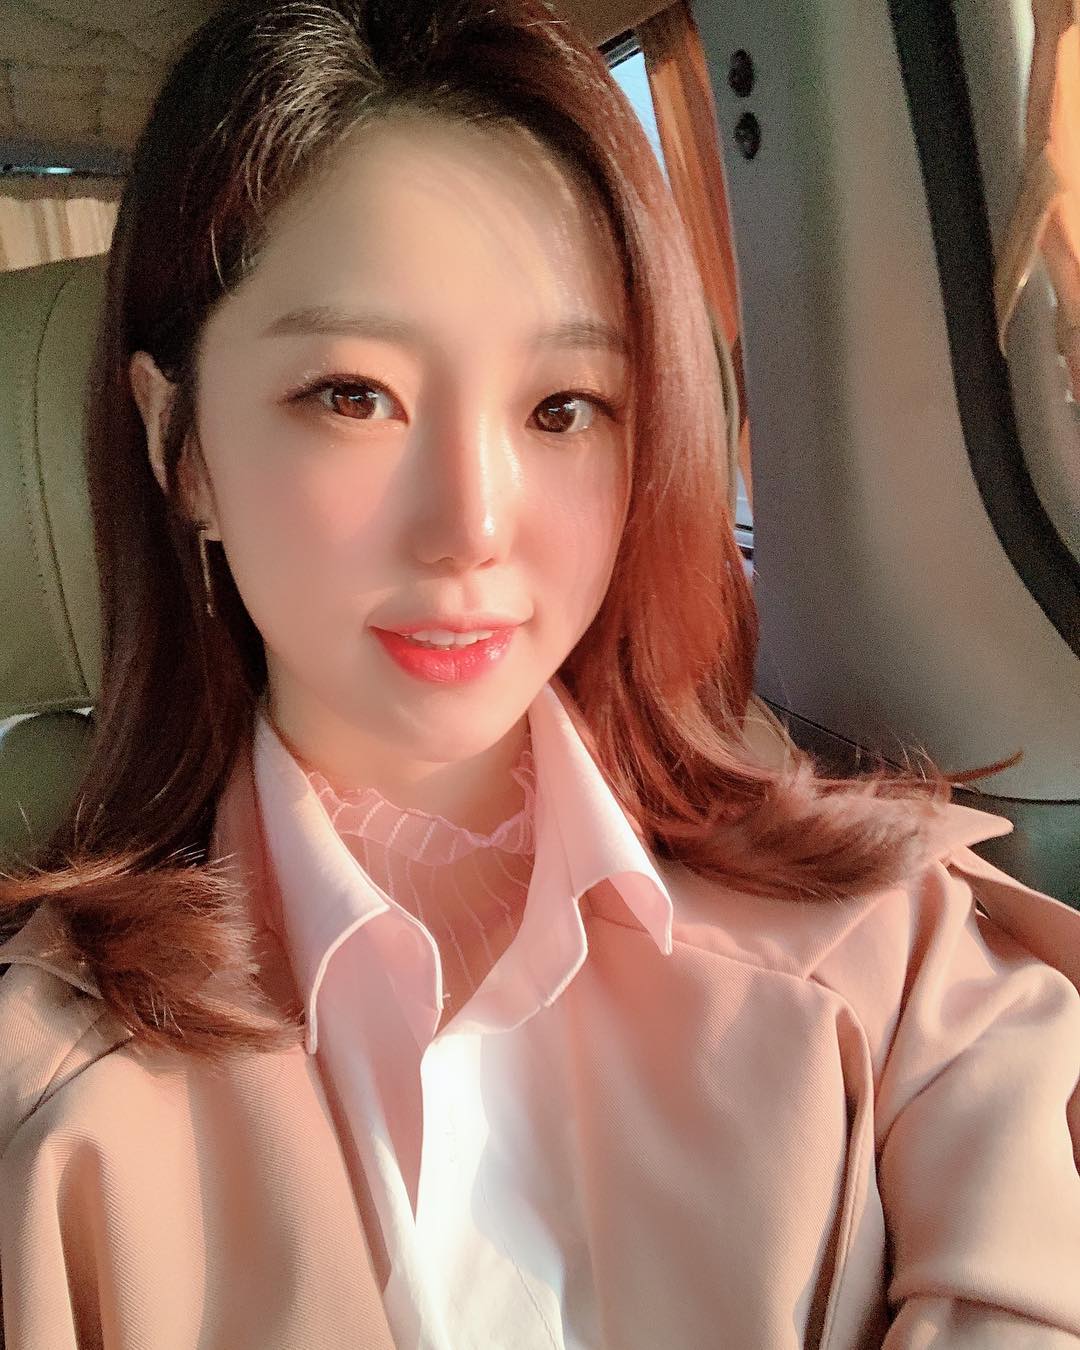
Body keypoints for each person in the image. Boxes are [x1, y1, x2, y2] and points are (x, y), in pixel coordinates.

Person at [0, 2, 1077, 1346]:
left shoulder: (905, 957)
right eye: (353, 394)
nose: (473, 525)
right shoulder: (42, 1119)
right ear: (186, 447)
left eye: (563, 407)